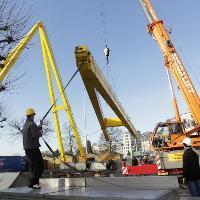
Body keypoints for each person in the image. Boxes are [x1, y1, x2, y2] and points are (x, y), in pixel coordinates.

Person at [22, 108, 44, 189]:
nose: (34, 116)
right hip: (33, 148)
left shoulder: (25, 125)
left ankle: (35, 184)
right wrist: (41, 133)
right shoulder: (32, 124)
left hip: (27, 149)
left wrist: (40, 125)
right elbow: (36, 135)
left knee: (33, 166)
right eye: (34, 115)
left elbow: (33, 131)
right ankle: (32, 183)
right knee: (40, 166)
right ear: (32, 115)